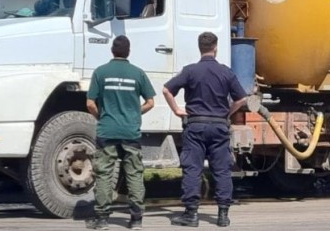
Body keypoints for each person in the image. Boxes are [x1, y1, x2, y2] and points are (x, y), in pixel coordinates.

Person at [163, 32, 248, 228]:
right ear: (215, 48)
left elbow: (167, 90)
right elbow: (242, 99)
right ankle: (223, 215)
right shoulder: (226, 72)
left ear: (199, 48)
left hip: (195, 125)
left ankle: (191, 215)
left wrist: (177, 110)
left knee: (193, 169)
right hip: (219, 126)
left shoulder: (190, 71)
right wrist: (228, 111)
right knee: (222, 170)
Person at [86, 35, 156, 230]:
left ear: (112, 51)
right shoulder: (138, 73)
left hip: (107, 131)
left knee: (104, 174)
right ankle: (136, 220)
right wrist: (135, 112)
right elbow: (151, 102)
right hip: (130, 132)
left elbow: (90, 103)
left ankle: (101, 219)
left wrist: (103, 116)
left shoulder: (101, 73)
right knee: (134, 173)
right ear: (129, 52)